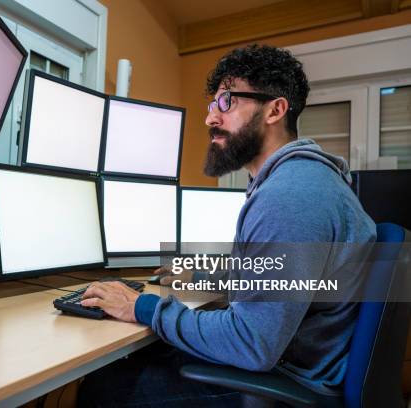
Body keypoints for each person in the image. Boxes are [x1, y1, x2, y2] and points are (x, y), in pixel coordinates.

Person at [77, 44, 376, 407]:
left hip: (284, 383)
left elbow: (253, 343)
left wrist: (141, 307)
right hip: (291, 362)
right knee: (137, 358)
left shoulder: (291, 196)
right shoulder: (301, 182)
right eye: (211, 105)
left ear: (275, 110)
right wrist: (204, 274)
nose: (210, 118)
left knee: (103, 386)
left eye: (227, 102)